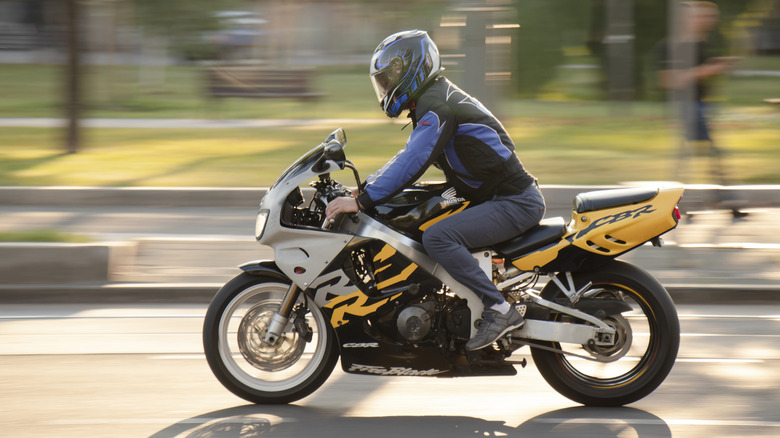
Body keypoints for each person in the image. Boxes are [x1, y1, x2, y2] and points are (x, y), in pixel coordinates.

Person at [324, 30, 546, 351]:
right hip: (498, 197)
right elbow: (408, 158)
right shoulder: (435, 99)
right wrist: (364, 189)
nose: (385, 88)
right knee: (414, 215)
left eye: (387, 79)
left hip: (514, 202)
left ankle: (498, 310)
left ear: (411, 68)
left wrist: (362, 200)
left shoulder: (437, 106)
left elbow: (412, 161)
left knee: (438, 237)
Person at [656, 1, 744, 217]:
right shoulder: (671, 46)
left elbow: (699, 72)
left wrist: (715, 67)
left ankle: (715, 203)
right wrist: (706, 70)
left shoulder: (700, 44)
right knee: (704, 157)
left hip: (700, 106)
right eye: (698, 16)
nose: (705, 21)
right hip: (687, 108)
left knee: (698, 157)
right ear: (684, 19)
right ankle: (721, 203)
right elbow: (669, 80)